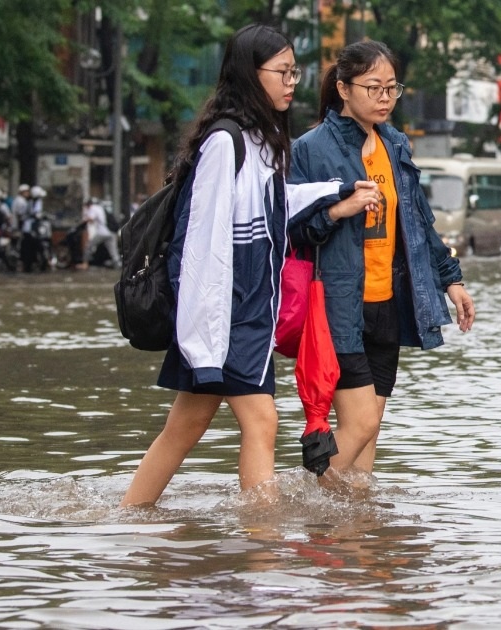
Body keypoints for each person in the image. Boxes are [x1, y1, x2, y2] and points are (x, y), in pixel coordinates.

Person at [120, 24, 380, 507]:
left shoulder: (261, 141)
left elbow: (270, 203)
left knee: (186, 425)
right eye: (281, 72)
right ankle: (263, 539)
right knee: (260, 421)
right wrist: (204, 335)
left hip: (249, 312)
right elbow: (203, 244)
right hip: (223, 316)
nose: (291, 82)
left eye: (293, 71)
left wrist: (337, 193)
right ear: (248, 74)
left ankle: (127, 518)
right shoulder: (225, 143)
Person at [289, 39, 476, 478]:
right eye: (373, 87)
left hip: (387, 302)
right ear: (343, 88)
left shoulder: (394, 146)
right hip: (337, 304)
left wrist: (452, 282)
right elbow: (293, 229)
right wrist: (339, 209)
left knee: (369, 432)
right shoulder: (311, 149)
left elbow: (418, 224)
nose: (385, 98)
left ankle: (354, 533)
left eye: (392, 88)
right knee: (362, 422)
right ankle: (299, 501)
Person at [79, 197, 120, 268]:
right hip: (111, 232)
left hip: (102, 233)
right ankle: (117, 264)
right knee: (113, 251)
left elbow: (91, 219)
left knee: (89, 246)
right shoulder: (100, 208)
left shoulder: (93, 208)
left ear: (88, 205)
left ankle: (85, 263)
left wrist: (83, 221)